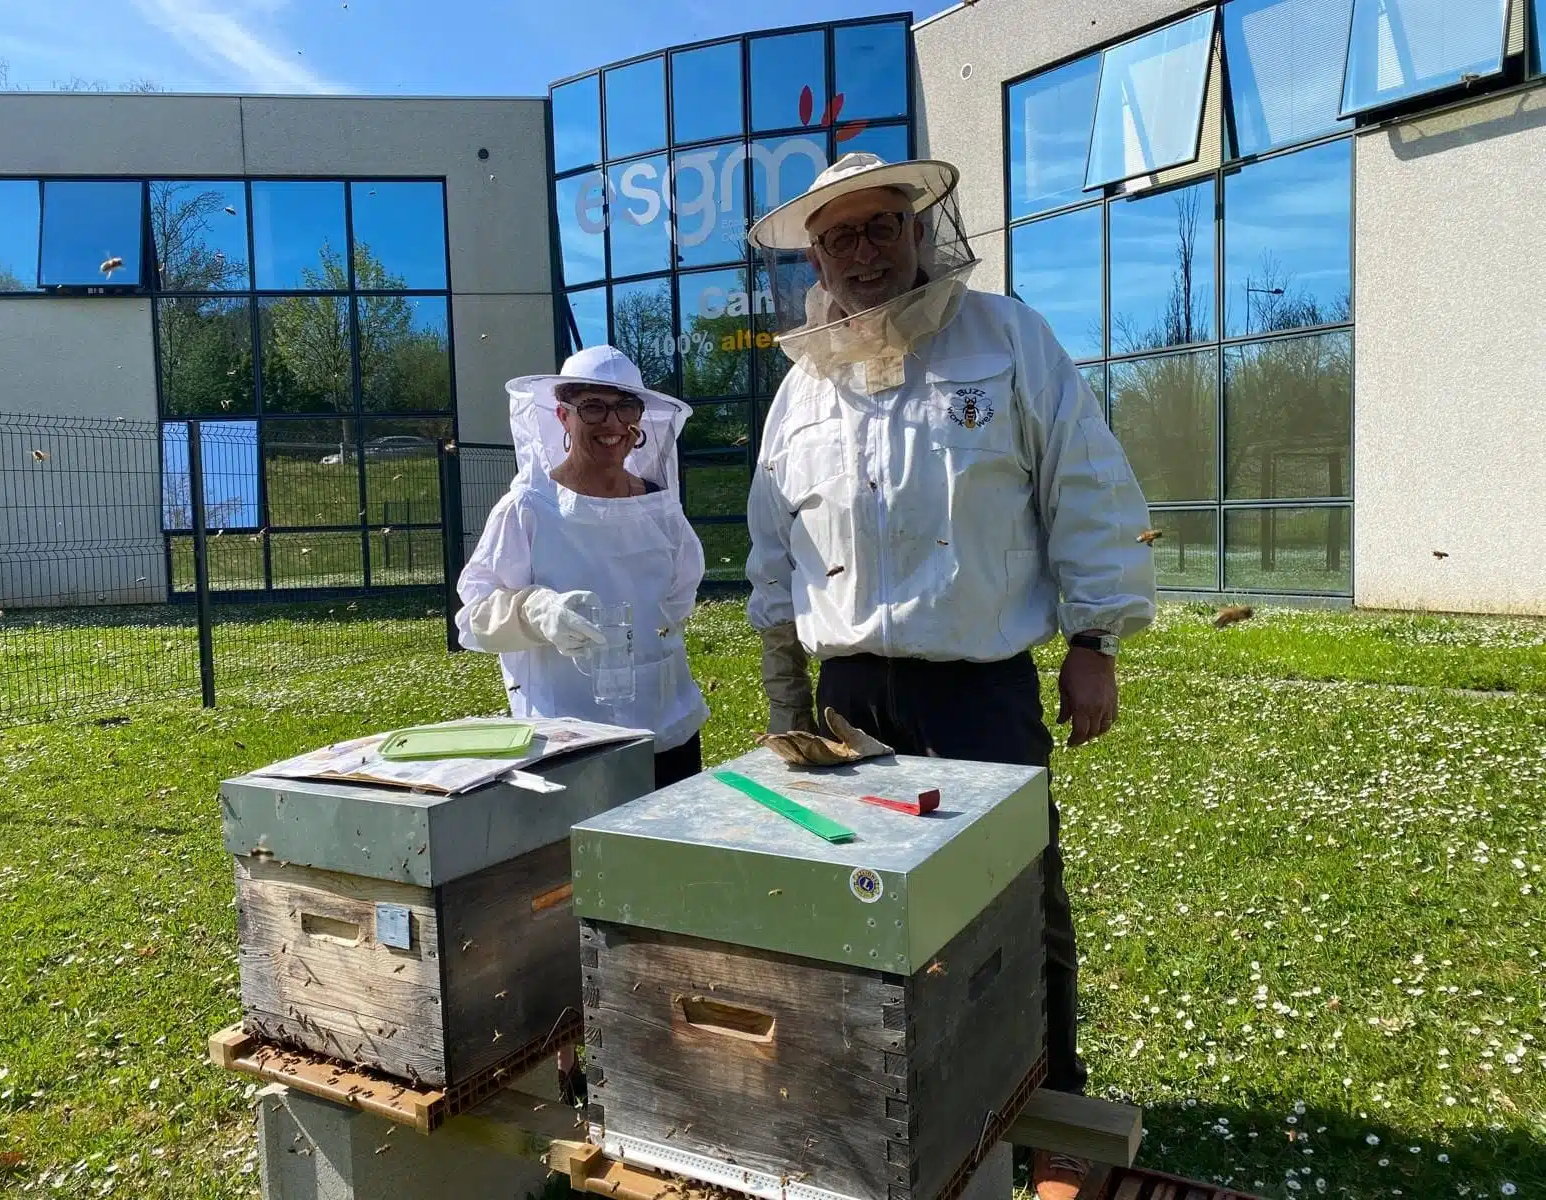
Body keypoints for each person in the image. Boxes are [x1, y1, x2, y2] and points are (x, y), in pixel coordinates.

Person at [744, 152, 1156, 1200]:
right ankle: (891, 1096)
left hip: (978, 687)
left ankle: (1051, 1111)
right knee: (860, 901)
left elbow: (1086, 482)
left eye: (881, 227)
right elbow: (771, 560)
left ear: (920, 231)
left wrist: (1094, 642)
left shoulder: (1007, 338)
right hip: (849, 697)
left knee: (1016, 902)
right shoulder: (799, 390)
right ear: (817, 257)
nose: (863, 251)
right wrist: (788, 706)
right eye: (839, 237)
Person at [454, 342, 710, 786]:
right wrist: (534, 611)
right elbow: (472, 619)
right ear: (563, 416)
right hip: (567, 740)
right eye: (593, 407)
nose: (612, 423)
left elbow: (678, 600)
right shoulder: (528, 507)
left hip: (667, 730)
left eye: (625, 407)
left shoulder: (661, 508)